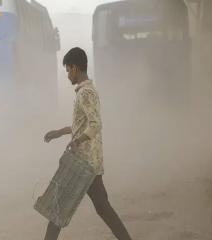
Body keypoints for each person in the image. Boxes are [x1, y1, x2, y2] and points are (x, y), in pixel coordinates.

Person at [43, 47, 132, 240]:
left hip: (82, 163)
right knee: (103, 208)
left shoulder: (86, 93)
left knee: (58, 209)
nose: (67, 75)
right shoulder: (86, 91)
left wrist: (77, 142)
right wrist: (60, 132)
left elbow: (95, 124)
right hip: (89, 162)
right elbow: (82, 125)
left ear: (75, 68)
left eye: (67, 70)